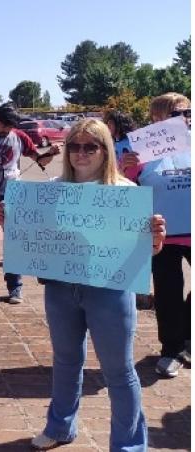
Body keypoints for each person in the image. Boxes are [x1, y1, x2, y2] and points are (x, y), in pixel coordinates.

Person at [0, 119, 166, 451]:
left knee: (118, 369)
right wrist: (11, 223)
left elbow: (142, 250)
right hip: (61, 287)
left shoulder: (124, 192)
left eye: (91, 146)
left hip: (110, 291)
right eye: (74, 146)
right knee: (65, 360)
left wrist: (154, 241)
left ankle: (129, 444)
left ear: (105, 150)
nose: (81, 153)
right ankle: (60, 426)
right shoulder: (52, 189)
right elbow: (35, 237)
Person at [121, 92, 191, 378]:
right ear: (158, 119)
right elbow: (120, 186)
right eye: (177, 114)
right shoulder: (141, 153)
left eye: (188, 112)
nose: (185, 118)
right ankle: (171, 349)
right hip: (161, 236)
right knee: (168, 293)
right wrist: (125, 167)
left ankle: (186, 334)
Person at [0, 103, 55, 306]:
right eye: (5, 126)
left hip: (13, 196)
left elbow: (39, 160)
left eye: (11, 127)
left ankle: (15, 287)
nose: (7, 130)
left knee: (13, 242)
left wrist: (51, 154)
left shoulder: (19, 137)